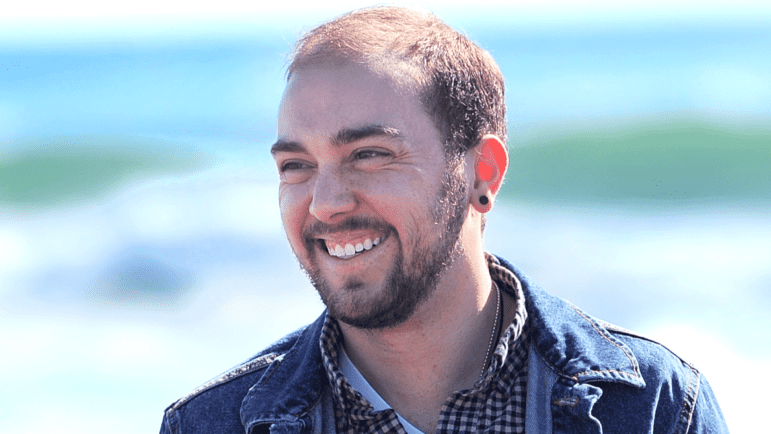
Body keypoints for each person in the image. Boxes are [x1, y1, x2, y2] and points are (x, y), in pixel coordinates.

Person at [159, 6, 728, 434]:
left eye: (369, 154)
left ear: (483, 172)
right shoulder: (211, 424)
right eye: (296, 165)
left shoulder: (654, 407)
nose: (325, 202)